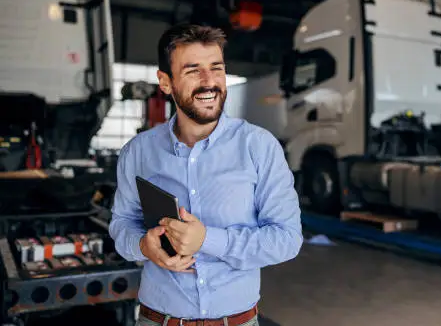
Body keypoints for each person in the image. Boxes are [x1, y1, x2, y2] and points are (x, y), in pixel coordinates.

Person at [109, 23, 303, 326]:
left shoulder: (259, 147)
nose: (209, 82)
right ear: (165, 82)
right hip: (158, 320)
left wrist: (207, 240)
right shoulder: (138, 152)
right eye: (192, 71)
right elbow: (121, 224)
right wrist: (142, 245)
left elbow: (287, 239)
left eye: (216, 68)